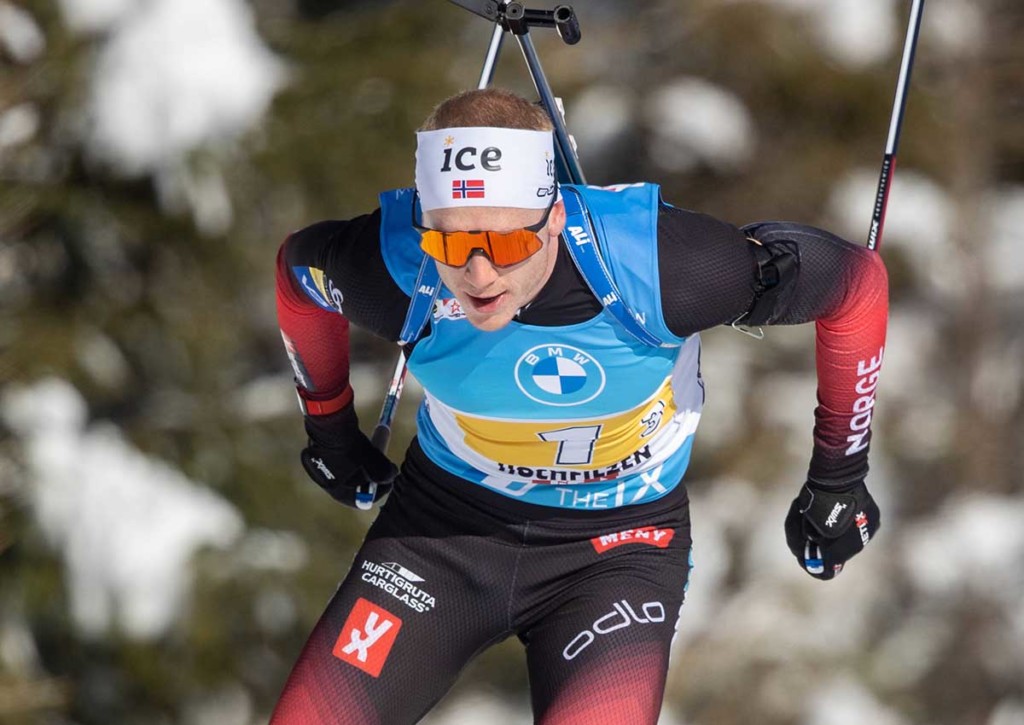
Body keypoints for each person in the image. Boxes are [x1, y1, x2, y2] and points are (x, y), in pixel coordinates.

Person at [270, 87, 887, 724]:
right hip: (439, 537)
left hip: (618, 550)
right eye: (451, 244)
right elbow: (296, 278)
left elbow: (855, 287)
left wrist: (838, 476)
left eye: (507, 244)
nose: (480, 275)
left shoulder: (661, 267)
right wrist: (330, 429)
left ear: (556, 215)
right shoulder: (391, 266)